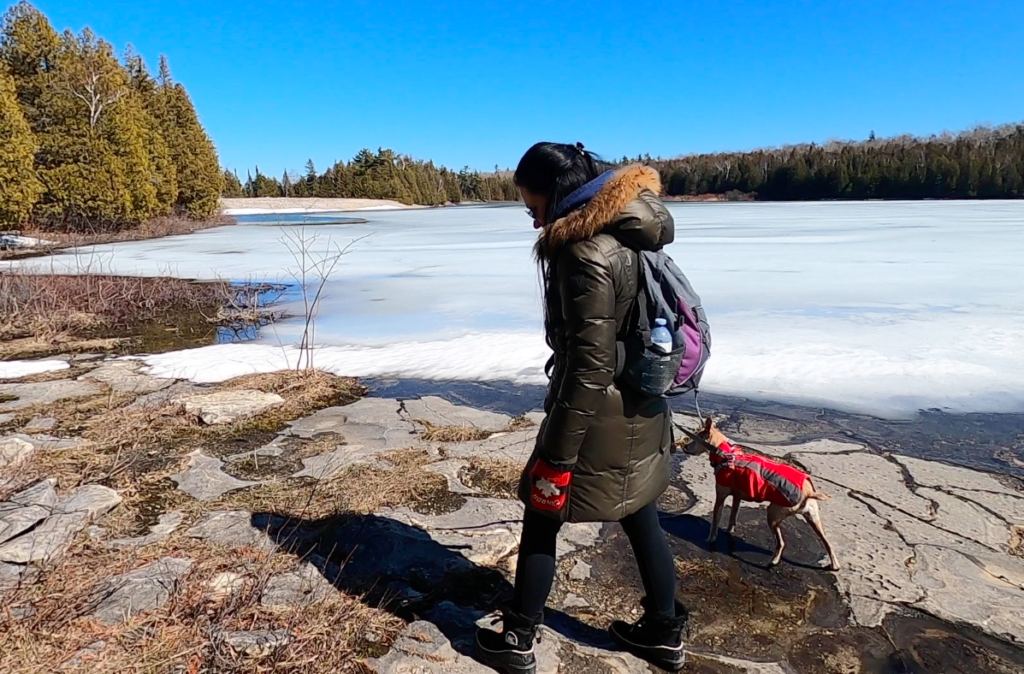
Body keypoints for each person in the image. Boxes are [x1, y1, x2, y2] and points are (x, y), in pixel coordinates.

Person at [474, 142, 688, 673]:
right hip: (643, 400)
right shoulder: (630, 229)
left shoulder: (584, 251)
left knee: (543, 508)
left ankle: (519, 638)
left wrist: (557, 453)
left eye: (533, 208)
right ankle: (664, 632)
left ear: (557, 195)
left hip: (599, 414)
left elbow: (589, 366)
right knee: (639, 509)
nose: (533, 222)